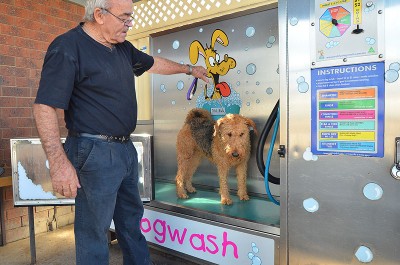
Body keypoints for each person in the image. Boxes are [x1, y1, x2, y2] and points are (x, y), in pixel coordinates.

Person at [33, 0, 208, 264]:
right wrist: (58, 164)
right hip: (93, 151)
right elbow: (45, 106)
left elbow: (153, 64)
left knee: (131, 225)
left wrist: (188, 69)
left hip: (124, 150)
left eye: (131, 18)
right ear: (100, 15)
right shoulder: (68, 47)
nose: (130, 24)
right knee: (94, 233)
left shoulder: (123, 48)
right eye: (125, 18)